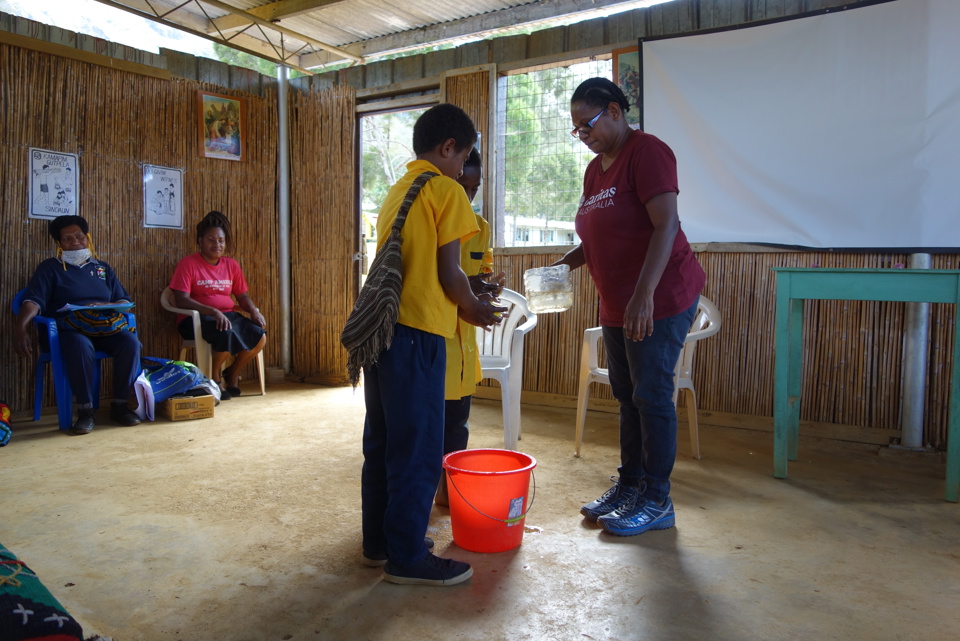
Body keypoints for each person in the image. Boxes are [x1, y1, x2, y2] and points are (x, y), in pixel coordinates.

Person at [360, 104, 504, 586]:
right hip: (421, 333)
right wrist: (474, 308)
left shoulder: (398, 189)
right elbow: (450, 272)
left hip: (383, 332)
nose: (465, 170)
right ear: (448, 149)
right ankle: (407, 557)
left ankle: (379, 542)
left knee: (382, 440)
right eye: (464, 159)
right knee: (419, 448)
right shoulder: (446, 189)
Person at [555, 77, 706, 537]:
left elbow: (666, 225)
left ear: (616, 112)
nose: (584, 136)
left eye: (590, 125)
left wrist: (643, 296)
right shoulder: (596, 169)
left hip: (659, 298)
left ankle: (657, 499)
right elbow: (597, 233)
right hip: (617, 301)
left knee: (652, 396)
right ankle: (631, 484)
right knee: (626, 397)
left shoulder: (648, 152)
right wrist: (564, 265)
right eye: (577, 130)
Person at [14, 215, 143, 434]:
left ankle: (120, 406)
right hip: (67, 330)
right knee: (80, 345)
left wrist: (106, 304)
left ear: (88, 238)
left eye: (80, 237)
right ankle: (85, 411)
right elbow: (33, 301)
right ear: (59, 243)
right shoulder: (50, 269)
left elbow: (123, 301)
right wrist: (20, 327)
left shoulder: (102, 268)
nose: (75, 242)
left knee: (130, 343)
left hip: (103, 328)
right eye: (68, 239)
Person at [435, 148, 505, 506]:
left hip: (464, 350)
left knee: (458, 426)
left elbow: (477, 277)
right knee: (431, 428)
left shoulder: (481, 229)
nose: (468, 196)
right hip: (436, 346)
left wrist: (486, 289)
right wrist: (468, 292)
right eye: (462, 186)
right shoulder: (432, 220)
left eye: (474, 189)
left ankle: (449, 493)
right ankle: (428, 490)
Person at [168, 211, 266, 400]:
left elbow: (242, 295)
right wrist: (213, 311)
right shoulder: (188, 264)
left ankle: (232, 374)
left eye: (221, 240)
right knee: (225, 332)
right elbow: (181, 299)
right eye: (211, 240)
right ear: (200, 241)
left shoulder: (231, 266)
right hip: (194, 320)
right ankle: (214, 378)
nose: (217, 244)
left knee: (259, 336)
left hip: (226, 316)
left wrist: (253, 310)